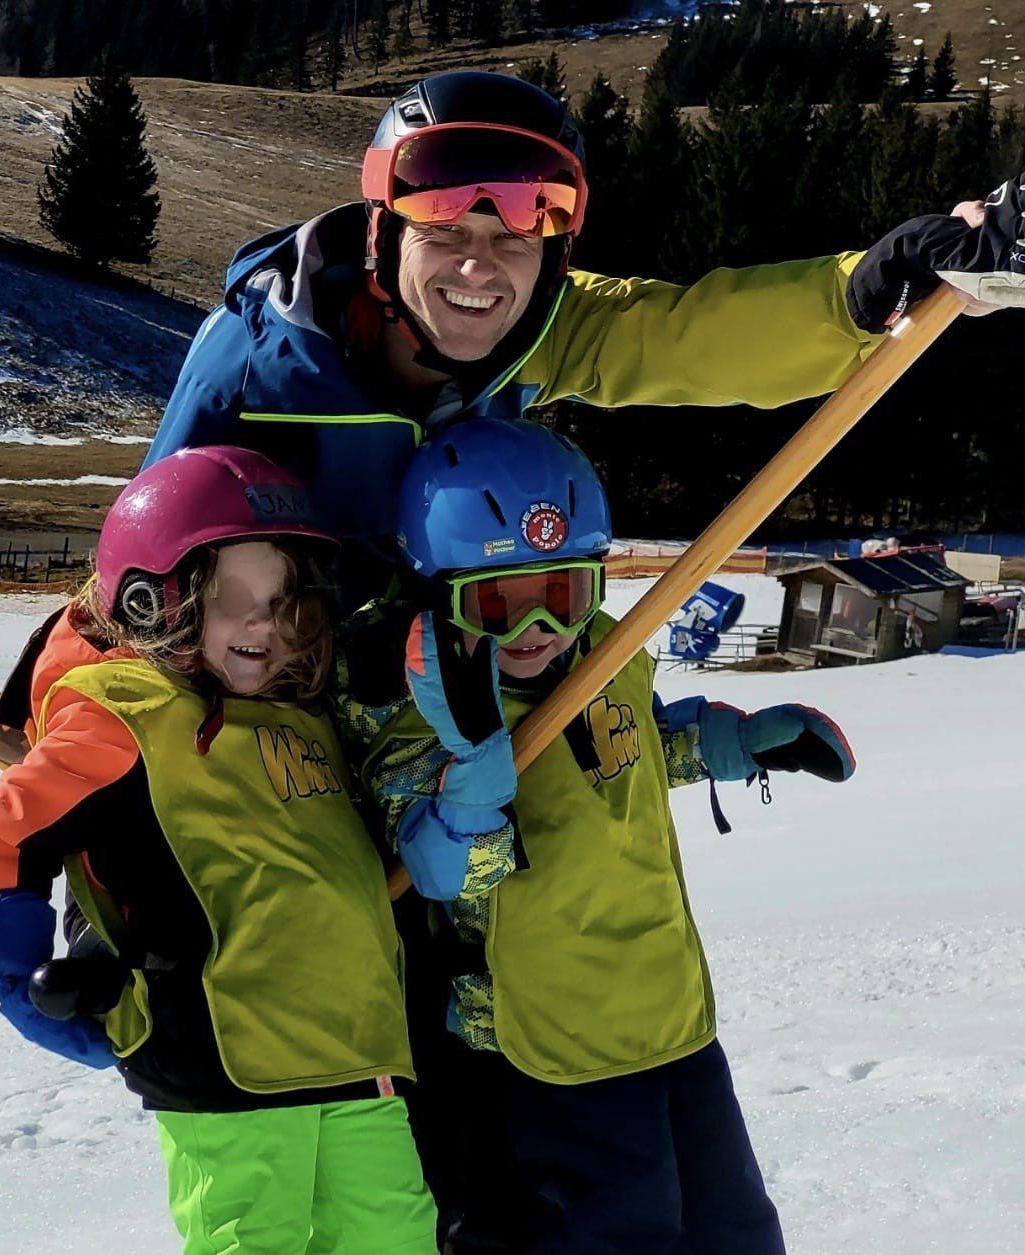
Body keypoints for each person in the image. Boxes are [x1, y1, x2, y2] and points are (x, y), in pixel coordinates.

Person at [144, 70, 1025, 554]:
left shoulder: (535, 334)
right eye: (443, 216)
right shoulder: (257, 363)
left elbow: (688, 339)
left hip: (440, 736)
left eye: (526, 222)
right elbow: (142, 554)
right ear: (382, 232)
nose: (481, 261)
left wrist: (862, 292)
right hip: (269, 735)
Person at [359, 418, 856, 1254]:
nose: (536, 631)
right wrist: (475, 765)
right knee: (619, 1233)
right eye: (497, 605)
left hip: (663, 1007)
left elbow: (633, 751)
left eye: (562, 594)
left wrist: (736, 742)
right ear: (437, 597)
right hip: (542, 1044)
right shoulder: (416, 716)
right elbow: (447, 874)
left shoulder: (608, 653)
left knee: (733, 1228)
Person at [0, 446, 438, 1255]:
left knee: (395, 1237)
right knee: (253, 1241)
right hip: (223, 1063)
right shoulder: (126, 713)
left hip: (359, 1050)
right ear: (155, 600)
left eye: (286, 603)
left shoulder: (302, 710)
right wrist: (12, 973)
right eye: (234, 598)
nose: (264, 626)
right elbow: (6, 833)